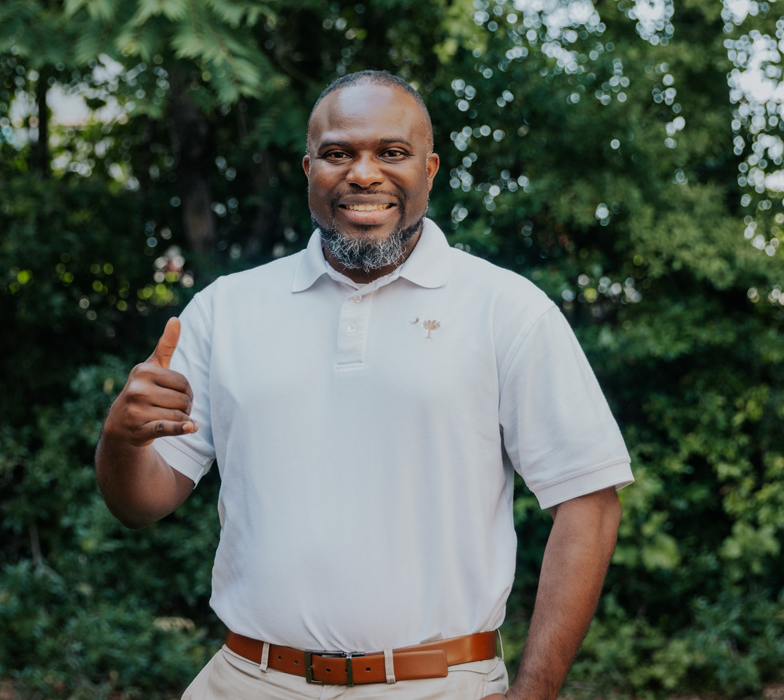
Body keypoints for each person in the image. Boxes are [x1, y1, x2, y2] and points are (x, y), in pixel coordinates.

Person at [96, 70, 633, 699]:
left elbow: (589, 501)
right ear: (309, 169)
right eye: (339, 153)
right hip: (248, 680)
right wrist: (122, 439)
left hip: (437, 685)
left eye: (392, 153)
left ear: (430, 169)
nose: (364, 173)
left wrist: (536, 692)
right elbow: (140, 504)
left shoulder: (507, 310)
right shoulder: (226, 310)